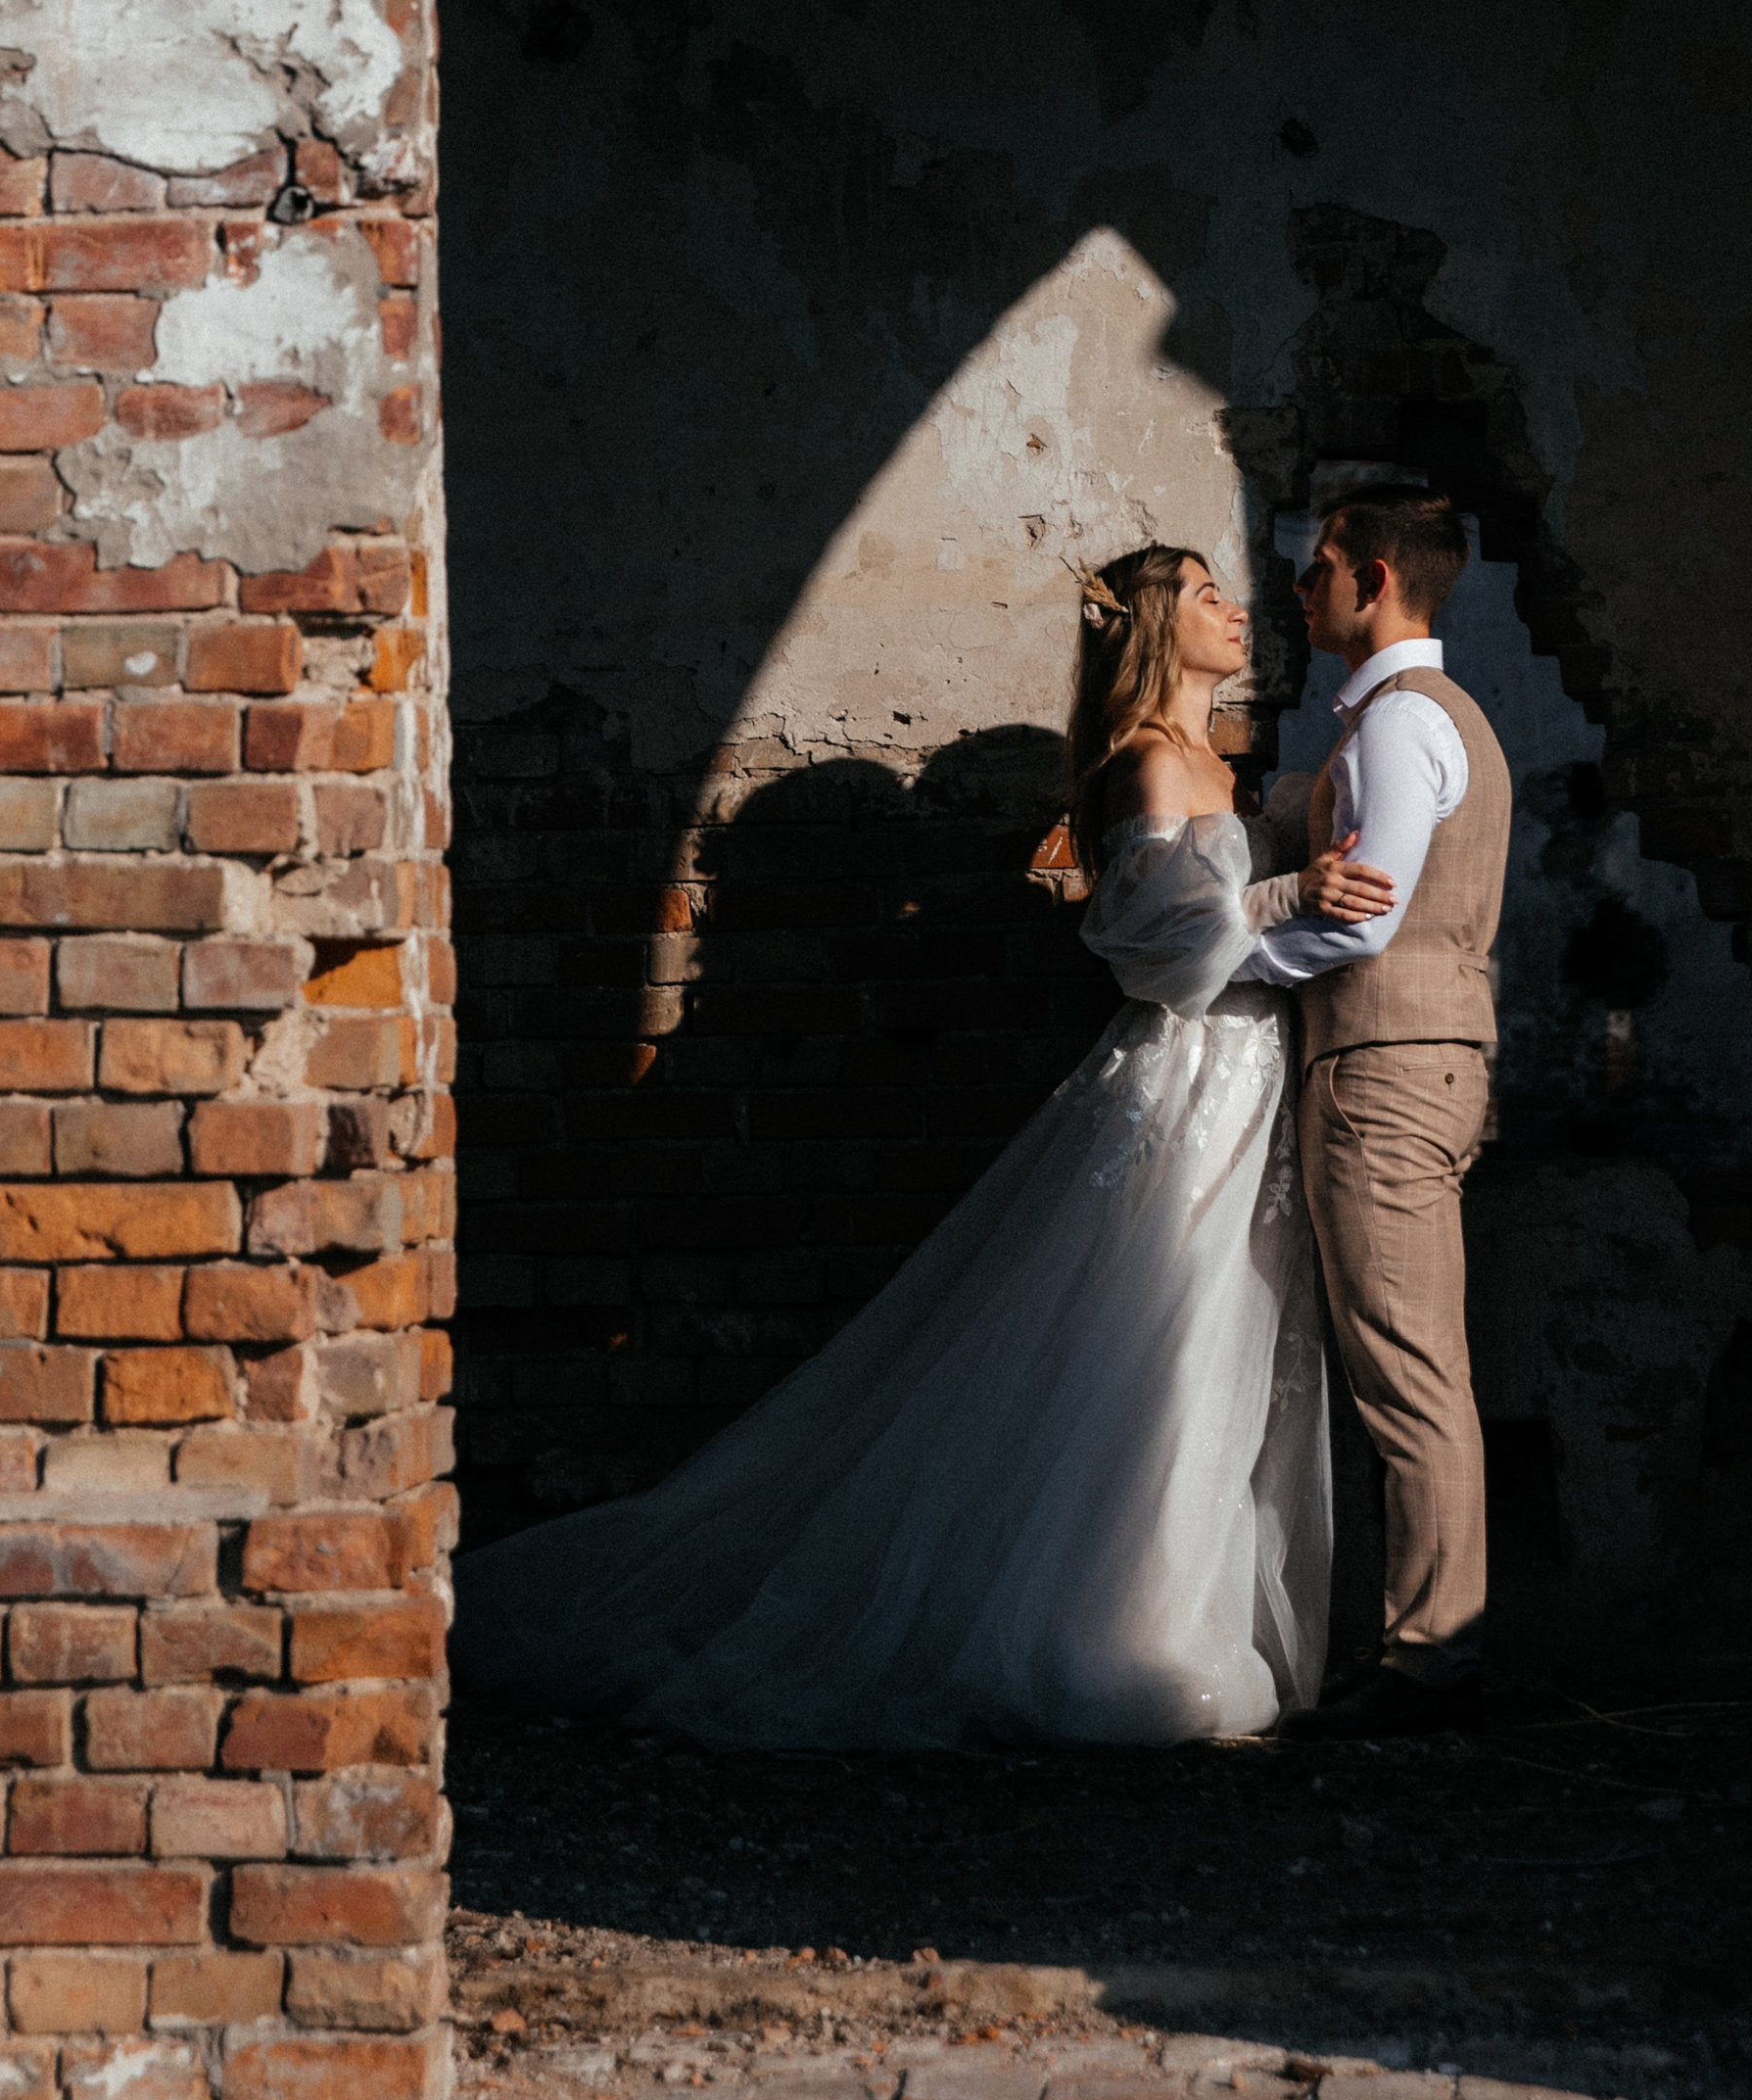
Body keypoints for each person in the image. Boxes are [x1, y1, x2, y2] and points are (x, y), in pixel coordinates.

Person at [450, 545, 1394, 1749]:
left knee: (1223, 1338)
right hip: (1192, 1073)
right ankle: (1110, 1633)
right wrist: (1287, 893)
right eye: (1207, 594)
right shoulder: (1151, 762)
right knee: (1154, 1332)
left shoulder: (1219, 764)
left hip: (1253, 1077)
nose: (1236, 611)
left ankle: (1174, 1611)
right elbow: (1152, 942)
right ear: (1156, 624)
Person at [1255, 491, 1509, 1742]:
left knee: (1409, 1373)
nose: (1303, 593)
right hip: (1407, 1062)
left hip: (1388, 1068)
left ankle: (1428, 1668)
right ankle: (1416, 1652)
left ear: (1376, 581)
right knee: (1406, 1366)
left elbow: (1360, 916)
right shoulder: (1400, 719)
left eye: (1320, 573)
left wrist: (1217, 960)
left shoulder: (1404, 726)